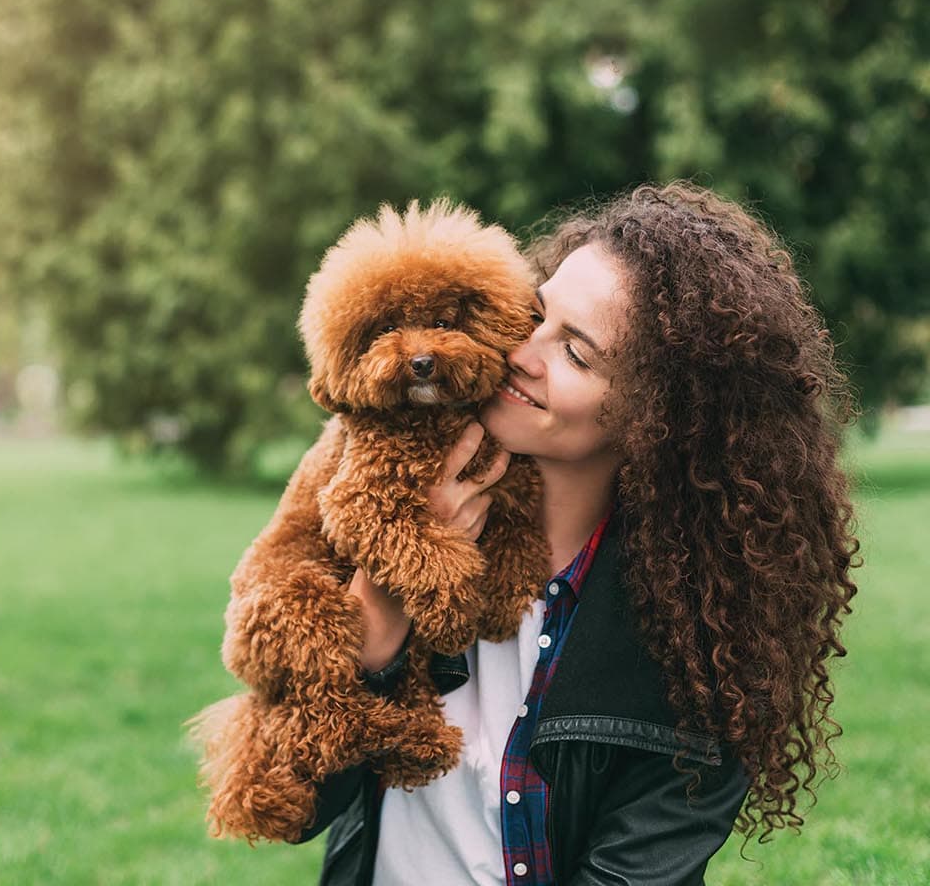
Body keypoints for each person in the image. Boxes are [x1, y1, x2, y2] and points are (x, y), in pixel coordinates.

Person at [298, 182, 860, 885]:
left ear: (658, 416)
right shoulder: (385, 510)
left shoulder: (704, 638)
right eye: (536, 314)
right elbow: (300, 805)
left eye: (578, 354)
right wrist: (382, 603)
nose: (524, 353)